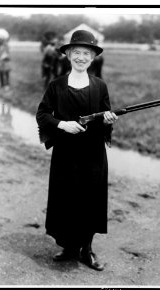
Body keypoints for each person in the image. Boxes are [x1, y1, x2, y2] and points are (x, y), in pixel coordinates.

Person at [36, 30, 118, 271]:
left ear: (93, 58)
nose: (81, 57)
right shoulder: (56, 86)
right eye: (77, 53)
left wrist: (108, 120)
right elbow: (42, 114)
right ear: (68, 55)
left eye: (86, 53)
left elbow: (105, 115)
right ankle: (69, 247)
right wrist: (62, 124)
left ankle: (86, 250)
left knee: (89, 200)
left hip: (92, 154)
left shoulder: (100, 86)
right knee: (66, 198)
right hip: (65, 153)